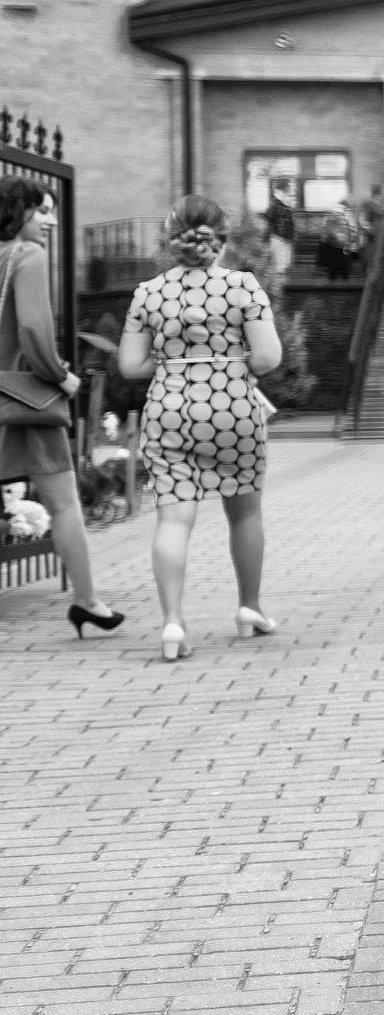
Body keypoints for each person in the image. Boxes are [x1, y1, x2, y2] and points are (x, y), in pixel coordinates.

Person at [119, 195, 287, 662]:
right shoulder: (243, 286)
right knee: (245, 512)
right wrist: (233, 364)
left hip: (170, 406)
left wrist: (172, 361)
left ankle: (173, 622)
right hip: (232, 404)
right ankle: (249, 609)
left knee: (173, 517)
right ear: (222, 239)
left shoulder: (147, 293)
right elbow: (270, 358)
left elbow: (131, 366)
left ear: (172, 240)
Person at [0, 176, 125, 639]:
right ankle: (86, 600)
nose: (52, 221)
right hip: (24, 403)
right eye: (43, 211)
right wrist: (61, 375)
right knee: (64, 502)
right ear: (19, 213)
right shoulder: (26, 255)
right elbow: (34, 332)